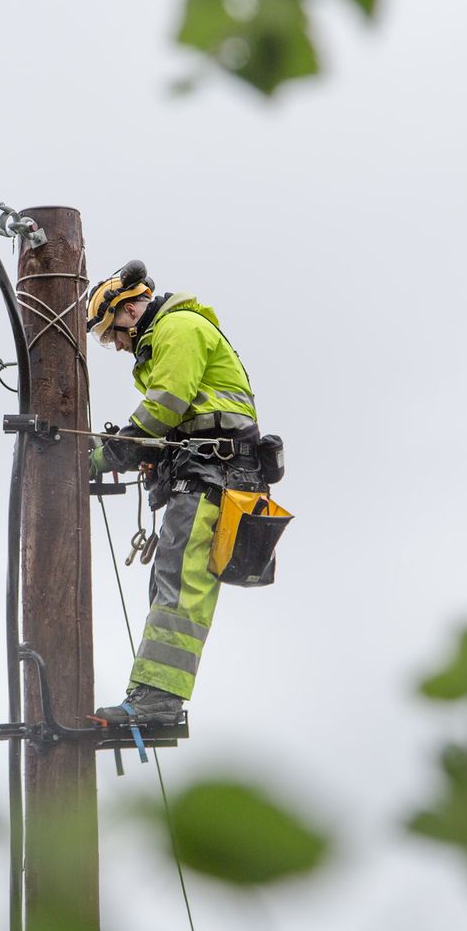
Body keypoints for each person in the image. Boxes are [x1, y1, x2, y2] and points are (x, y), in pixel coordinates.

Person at [86, 260, 266, 726]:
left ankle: (157, 701)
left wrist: (109, 455)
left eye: (114, 335)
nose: (120, 346)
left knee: (179, 589)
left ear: (128, 312)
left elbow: (165, 405)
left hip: (212, 478)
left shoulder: (179, 328)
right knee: (170, 584)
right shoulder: (173, 333)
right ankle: (150, 693)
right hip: (209, 476)